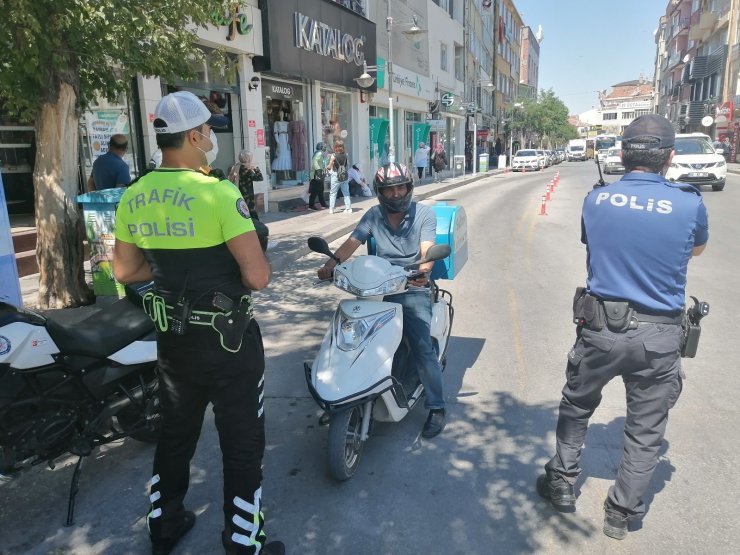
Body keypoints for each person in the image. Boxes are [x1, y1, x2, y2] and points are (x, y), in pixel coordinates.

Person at [111, 90, 283, 555]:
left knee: (176, 434)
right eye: (208, 129)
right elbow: (258, 277)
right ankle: (244, 542)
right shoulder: (218, 193)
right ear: (192, 135)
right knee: (242, 442)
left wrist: (171, 275)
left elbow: (125, 272)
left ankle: (164, 527)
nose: (211, 136)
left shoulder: (134, 194)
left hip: (175, 343)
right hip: (229, 344)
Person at [536, 114, 709, 540]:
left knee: (577, 405)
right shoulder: (689, 202)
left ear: (623, 154)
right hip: (659, 335)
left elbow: (591, 241)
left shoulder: (597, 200)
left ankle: (562, 482)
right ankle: (620, 513)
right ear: (669, 157)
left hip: (600, 329)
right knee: (646, 428)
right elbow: (697, 249)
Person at [316, 163, 447, 439]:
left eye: (401, 187)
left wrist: (423, 273)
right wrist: (331, 264)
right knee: (350, 337)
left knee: (422, 345)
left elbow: (427, 251)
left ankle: (436, 407)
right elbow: (351, 243)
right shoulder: (374, 215)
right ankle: (346, 389)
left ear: (409, 188)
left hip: (411, 285)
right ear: (380, 193)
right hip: (377, 285)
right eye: (390, 189)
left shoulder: (424, 214)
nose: (396, 193)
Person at [327, 139, 351, 214]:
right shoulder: (346, 155)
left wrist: (331, 162)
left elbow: (329, 167)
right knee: (346, 193)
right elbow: (346, 165)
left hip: (335, 175)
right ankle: (348, 208)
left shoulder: (333, 155)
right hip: (344, 175)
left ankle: (331, 209)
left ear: (335, 147)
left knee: (333, 193)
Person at [308, 143, 328, 210]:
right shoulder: (319, 153)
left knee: (320, 190)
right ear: (321, 147)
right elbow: (315, 162)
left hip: (319, 174)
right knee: (315, 191)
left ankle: (323, 204)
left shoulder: (320, 153)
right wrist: (319, 170)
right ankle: (311, 206)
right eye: (324, 147)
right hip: (317, 174)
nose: (325, 148)